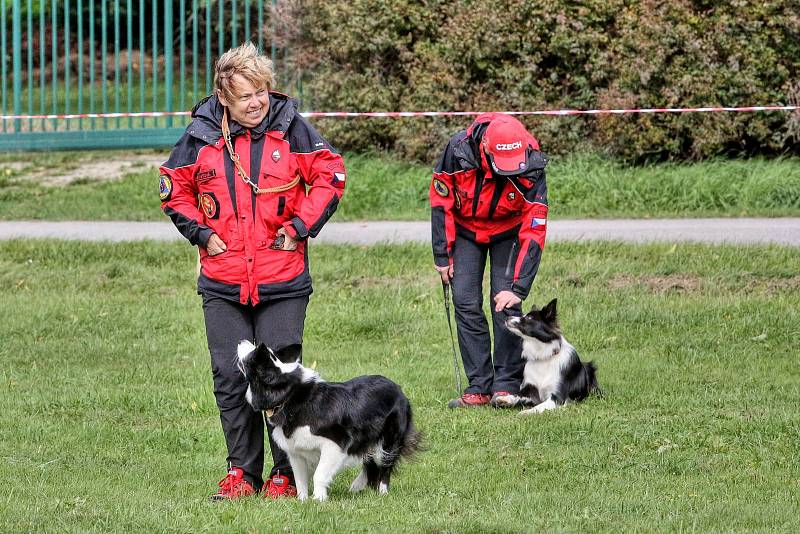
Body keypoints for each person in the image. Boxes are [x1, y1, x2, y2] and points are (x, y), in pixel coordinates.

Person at [159, 42, 346, 500]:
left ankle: (286, 475)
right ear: (224, 97)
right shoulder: (199, 136)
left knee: (281, 375)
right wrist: (201, 234)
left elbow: (331, 176)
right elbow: (173, 189)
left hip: (282, 279)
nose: (257, 102)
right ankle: (242, 473)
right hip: (222, 282)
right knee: (229, 376)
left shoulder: (293, 129)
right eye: (245, 96)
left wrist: (301, 226)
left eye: (261, 91)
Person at [430, 112, 549, 408]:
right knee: (465, 301)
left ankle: (506, 385)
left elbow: (535, 228)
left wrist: (518, 287)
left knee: (505, 303)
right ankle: (479, 386)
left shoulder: (532, 165)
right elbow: (440, 200)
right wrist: (443, 254)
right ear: (484, 148)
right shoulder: (457, 151)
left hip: (507, 231)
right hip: (466, 230)